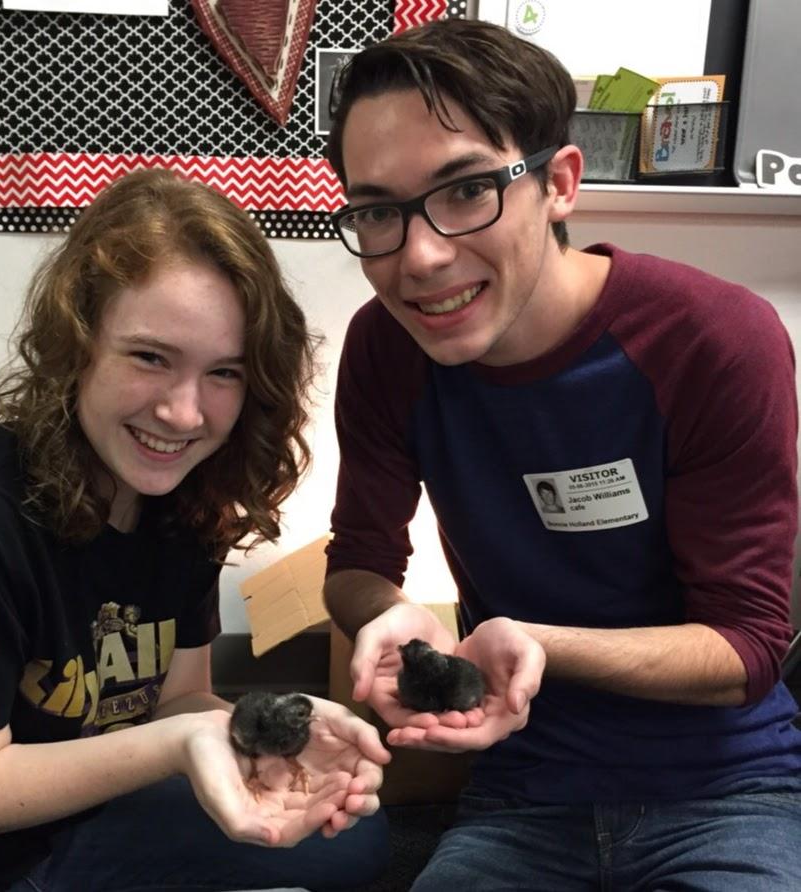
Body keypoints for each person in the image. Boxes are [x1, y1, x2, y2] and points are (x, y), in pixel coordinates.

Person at [321, 18, 801, 892]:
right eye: (379, 210)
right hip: (521, 797)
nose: (420, 257)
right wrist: (395, 616)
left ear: (561, 184)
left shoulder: (714, 341)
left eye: (466, 190)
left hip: (730, 791)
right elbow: (357, 561)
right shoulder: (385, 349)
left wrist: (528, 640)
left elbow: (749, 646)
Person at [0, 169, 390, 892]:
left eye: (224, 372)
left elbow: (179, 700)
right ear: (77, 343)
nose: (183, 414)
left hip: (97, 814)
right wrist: (184, 743)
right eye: (150, 357)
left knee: (354, 834)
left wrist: (271, 726)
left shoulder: (185, 502)